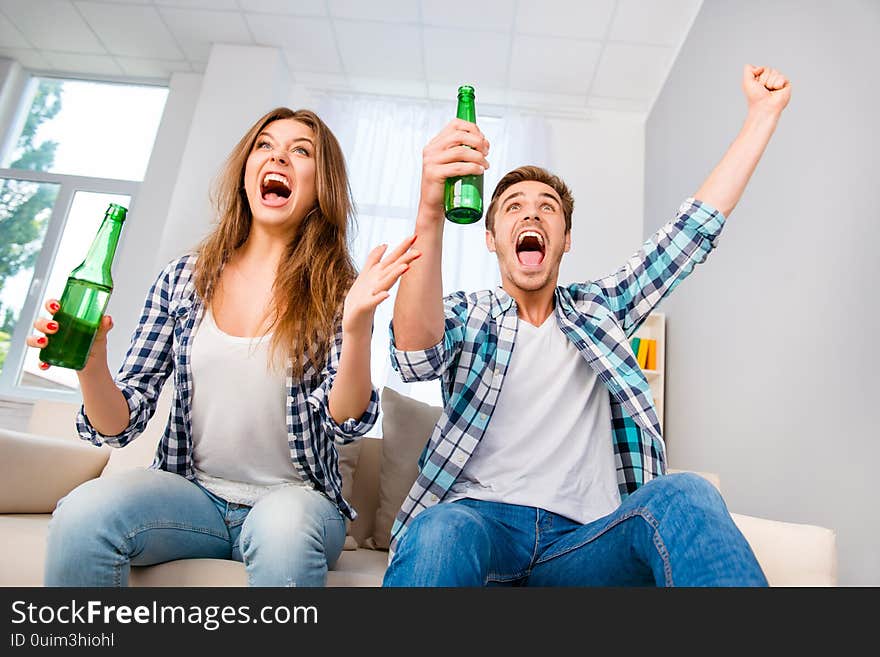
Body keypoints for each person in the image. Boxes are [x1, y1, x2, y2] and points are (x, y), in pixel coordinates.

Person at [383, 65, 791, 587]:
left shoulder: (603, 310)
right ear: (491, 238)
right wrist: (429, 208)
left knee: (687, 492)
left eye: (546, 208)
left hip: (582, 543)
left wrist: (761, 114)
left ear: (565, 238)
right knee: (438, 530)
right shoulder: (469, 313)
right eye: (512, 208)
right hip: (479, 524)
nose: (531, 216)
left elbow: (690, 233)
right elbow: (414, 356)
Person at [28, 107, 419, 587]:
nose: (279, 156)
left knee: (283, 530)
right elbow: (118, 428)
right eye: (265, 145)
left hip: (296, 499)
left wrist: (358, 325)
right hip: (193, 497)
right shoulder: (183, 280)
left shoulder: (337, 289)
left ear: (322, 187)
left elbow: (348, 421)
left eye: (301, 151)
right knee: (82, 514)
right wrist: (91, 365)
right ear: (246, 172)